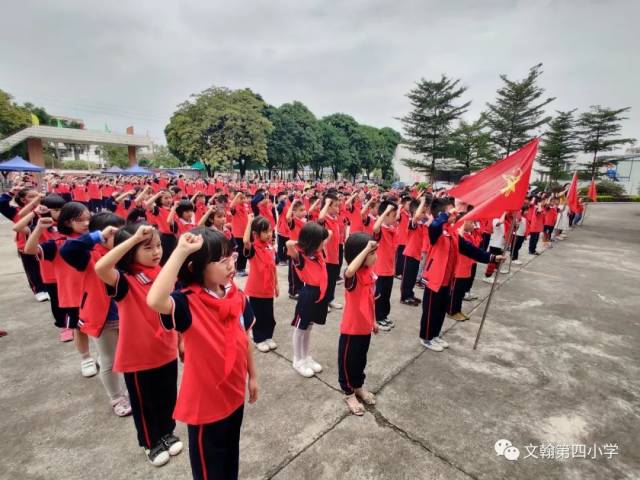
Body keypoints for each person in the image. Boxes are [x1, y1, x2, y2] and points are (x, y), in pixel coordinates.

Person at [146, 228, 258, 480]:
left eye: (232, 256)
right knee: (209, 468)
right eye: (222, 260)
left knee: (230, 454)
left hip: (234, 392)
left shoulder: (236, 295)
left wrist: (253, 376)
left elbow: (245, 339)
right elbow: (154, 300)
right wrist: (180, 252)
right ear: (196, 267)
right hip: (206, 404)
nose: (231, 264)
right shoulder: (186, 303)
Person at [94, 223, 182, 467]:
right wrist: (132, 239)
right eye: (148, 248)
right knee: (144, 403)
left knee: (167, 396)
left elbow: (177, 309)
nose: (156, 252)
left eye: (158, 246)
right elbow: (101, 267)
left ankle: (166, 431)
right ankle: (149, 442)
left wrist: (181, 341)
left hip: (166, 349)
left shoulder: (164, 273)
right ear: (132, 251)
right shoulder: (125, 280)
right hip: (138, 356)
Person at [59, 211, 132, 417]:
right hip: (103, 318)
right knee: (109, 360)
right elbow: (67, 249)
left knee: (126, 356)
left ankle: (128, 391)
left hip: (125, 315)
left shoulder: (123, 254)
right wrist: (97, 236)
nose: (119, 240)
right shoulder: (88, 256)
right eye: (113, 235)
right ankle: (116, 398)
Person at [419, 198, 503, 351]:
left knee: (441, 309)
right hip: (435, 278)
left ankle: (435, 335)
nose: (455, 213)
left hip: (448, 279)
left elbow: (470, 249)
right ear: (442, 214)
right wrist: (445, 215)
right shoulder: (435, 230)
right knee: (431, 310)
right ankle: (426, 337)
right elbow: (436, 226)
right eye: (451, 211)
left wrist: (491, 257)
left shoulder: (452, 233)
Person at [24, 202, 97, 373]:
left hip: (96, 294)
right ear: (67, 222)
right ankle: (86, 358)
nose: (86, 223)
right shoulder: (57, 244)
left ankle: (103, 354)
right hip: (73, 297)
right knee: (79, 329)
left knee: (103, 326)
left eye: (88, 219)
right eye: (80, 220)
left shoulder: (94, 239)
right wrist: (39, 229)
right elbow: (29, 249)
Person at [338, 233, 379, 416]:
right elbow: (348, 271)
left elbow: (370, 300)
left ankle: (358, 386)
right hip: (351, 328)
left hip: (365, 327)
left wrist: (374, 320)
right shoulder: (352, 277)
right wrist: (366, 250)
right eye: (372, 253)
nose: (375, 256)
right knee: (347, 362)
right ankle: (348, 393)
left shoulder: (370, 273)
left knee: (360, 359)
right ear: (360, 255)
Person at [286, 222, 330, 378]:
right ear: (311, 242)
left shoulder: (317, 254)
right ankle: (297, 360)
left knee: (309, 327)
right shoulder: (301, 257)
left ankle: (306, 356)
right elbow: (289, 244)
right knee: (300, 328)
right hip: (308, 294)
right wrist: (302, 242)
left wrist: (318, 237)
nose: (323, 244)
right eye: (320, 242)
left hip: (319, 295)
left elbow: (328, 234)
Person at [243, 214, 279, 353]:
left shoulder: (270, 247)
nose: (269, 234)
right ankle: (258, 338)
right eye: (265, 231)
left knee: (268, 314)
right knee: (258, 314)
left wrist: (276, 284)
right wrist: (249, 221)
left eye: (270, 230)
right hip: (256, 289)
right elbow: (246, 240)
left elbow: (273, 267)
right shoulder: (253, 249)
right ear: (255, 234)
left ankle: (268, 336)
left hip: (268, 288)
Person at [372, 201, 398, 332]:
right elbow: (375, 227)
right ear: (385, 215)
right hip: (380, 269)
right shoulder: (381, 229)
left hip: (389, 269)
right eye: (393, 215)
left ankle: (384, 315)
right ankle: (377, 317)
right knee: (379, 295)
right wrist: (385, 211)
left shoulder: (391, 229)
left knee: (386, 295)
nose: (395, 218)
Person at [317, 193, 343, 311]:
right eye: (335, 206)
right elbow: (320, 218)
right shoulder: (325, 219)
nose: (338, 208)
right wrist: (326, 203)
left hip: (335, 254)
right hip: (326, 255)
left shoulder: (336, 218)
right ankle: (323, 302)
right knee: (325, 280)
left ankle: (330, 299)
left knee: (332, 279)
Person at [285, 198, 306, 299]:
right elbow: (288, 217)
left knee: (300, 271)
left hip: (301, 251)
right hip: (293, 251)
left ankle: (300, 289)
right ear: (294, 212)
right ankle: (293, 291)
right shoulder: (293, 221)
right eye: (301, 210)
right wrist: (292, 203)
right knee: (293, 273)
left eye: (304, 210)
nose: (304, 212)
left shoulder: (303, 222)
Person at [483, 213, 506, 284]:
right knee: (492, 262)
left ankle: (494, 272)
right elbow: (500, 222)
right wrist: (505, 212)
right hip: (495, 244)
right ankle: (487, 276)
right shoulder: (496, 220)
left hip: (501, 244)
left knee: (497, 261)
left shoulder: (506, 221)